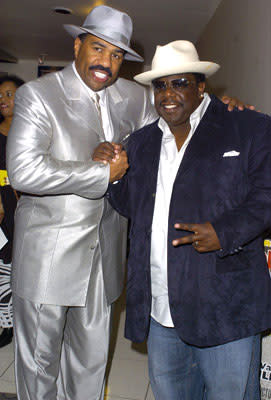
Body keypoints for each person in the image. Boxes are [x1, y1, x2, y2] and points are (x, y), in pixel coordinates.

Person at [6, 4, 254, 399]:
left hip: (104, 260)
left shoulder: (136, 97)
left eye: (117, 54)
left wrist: (227, 112)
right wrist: (102, 174)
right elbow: (23, 171)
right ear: (77, 46)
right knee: (39, 365)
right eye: (99, 49)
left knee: (90, 364)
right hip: (47, 260)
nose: (107, 61)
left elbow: (179, 117)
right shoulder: (39, 95)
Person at [101, 41, 271, 399]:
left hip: (225, 307)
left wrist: (224, 232)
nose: (168, 94)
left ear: (201, 86)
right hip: (161, 309)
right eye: (160, 86)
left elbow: (266, 194)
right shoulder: (142, 141)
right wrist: (113, 173)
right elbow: (131, 205)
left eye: (179, 83)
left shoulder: (247, 126)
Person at [0, 75, 24, 348]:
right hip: (3, 206)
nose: (3, 101)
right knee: (3, 266)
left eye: (9, 94)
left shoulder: (31, 129)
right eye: (0, 97)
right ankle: (8, 325)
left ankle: (27, 321)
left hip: (28, 206)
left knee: (25, 266)